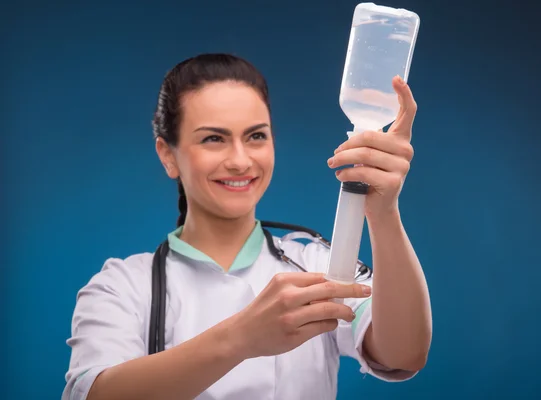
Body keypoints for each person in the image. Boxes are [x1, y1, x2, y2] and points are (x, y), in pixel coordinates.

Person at [62, 53, 432, 400]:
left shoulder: (319, 265)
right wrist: (243, 337)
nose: (240, 161)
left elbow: (404, 353)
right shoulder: (123, 286)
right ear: (167, 155)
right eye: (213, 139)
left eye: (256, 136)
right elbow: (95, 393)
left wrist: (383, 212)